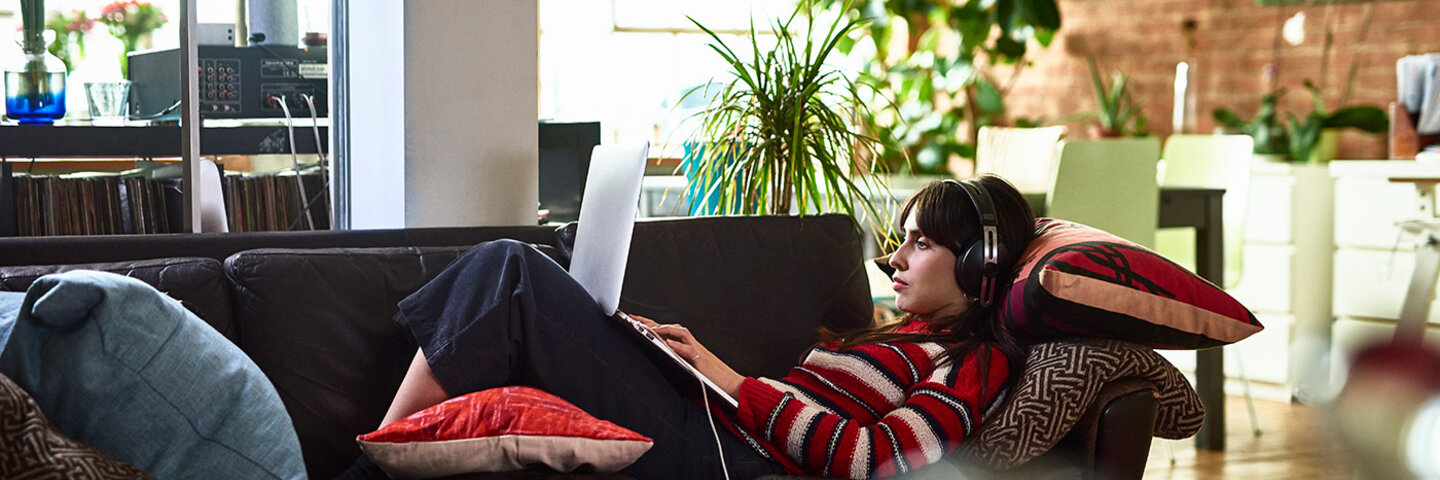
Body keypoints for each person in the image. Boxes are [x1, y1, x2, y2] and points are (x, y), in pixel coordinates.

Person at [347, 174, 1036, 480]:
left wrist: (731, 378)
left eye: (920, 244)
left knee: (509, 271)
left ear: (977, 264)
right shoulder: (893, 337)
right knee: (516, 271)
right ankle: (387, 456)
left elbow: (872, 460)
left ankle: (372, 462)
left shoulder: (974, 365)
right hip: (714, 425)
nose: (895, 256)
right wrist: (691, 363)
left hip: (734, 463)